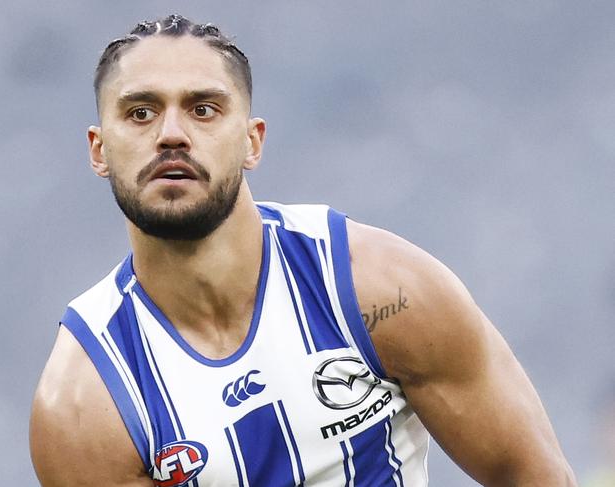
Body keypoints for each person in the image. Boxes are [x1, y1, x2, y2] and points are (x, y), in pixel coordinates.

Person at [29, 14, 576, 486]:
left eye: (203, 109)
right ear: (99, 150)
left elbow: (534, 476)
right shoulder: (83, 402)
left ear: (252, 141)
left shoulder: (380, 289)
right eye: (141, 112)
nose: (171, 134)